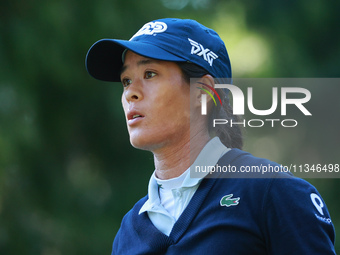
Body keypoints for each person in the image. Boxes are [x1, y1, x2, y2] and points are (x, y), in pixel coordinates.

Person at [85, 18, 336, 254]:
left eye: (149, 74)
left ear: (202, 92)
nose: (131, 93)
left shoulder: (272, 193)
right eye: (126, 80)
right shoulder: (129, 229)